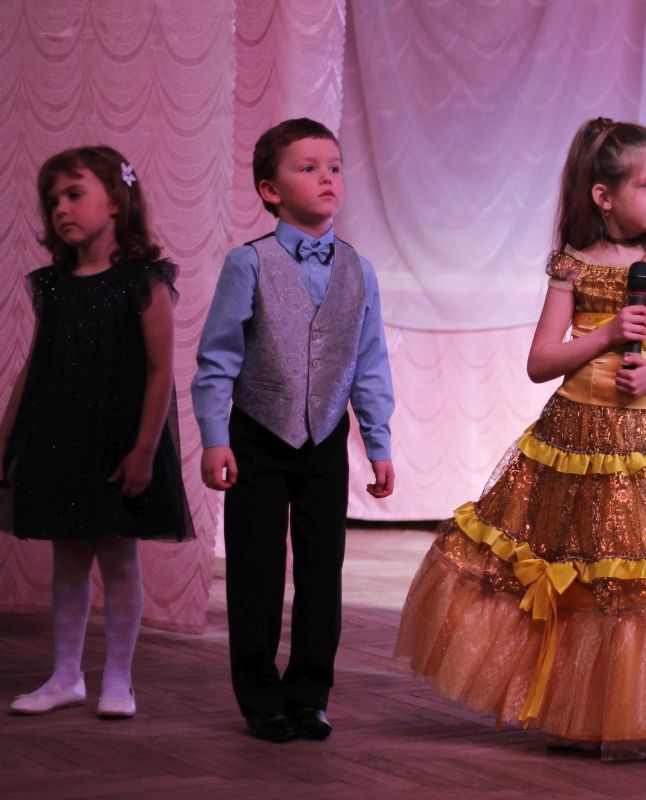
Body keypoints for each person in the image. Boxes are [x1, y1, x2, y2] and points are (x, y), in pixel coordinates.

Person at [395, 117, 646, 760]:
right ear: (604, 196)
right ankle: (581, 709)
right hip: (575, 439)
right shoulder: (573, 265)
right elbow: (540, 361)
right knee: (579, 572)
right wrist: (604, 336)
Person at [192, 117, 395, 743]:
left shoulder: (359, 270)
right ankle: (259, 697)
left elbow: (369, 363)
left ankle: (311, 694)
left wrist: (379, 443)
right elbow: (218, 358)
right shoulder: (248, 263)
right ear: (270, 190)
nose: (326, 178)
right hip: (257, 434)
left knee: (321, 570)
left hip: (325, 441)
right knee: (255, 569)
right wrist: (215, 437)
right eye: (307, 168)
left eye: (333, 167)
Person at [1, 146, 193, 719]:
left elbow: (159, 371)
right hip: (59, 436)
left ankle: (118, 679)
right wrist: (6, 438)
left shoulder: (144, 281)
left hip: (117, 441)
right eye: (52, 200)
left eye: (73, 194)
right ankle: (65, 676)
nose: (60, 208)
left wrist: (143, 450)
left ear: (115, 200)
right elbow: (35, 367)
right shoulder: (54, 285)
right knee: (67, 560)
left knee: (118, 556)